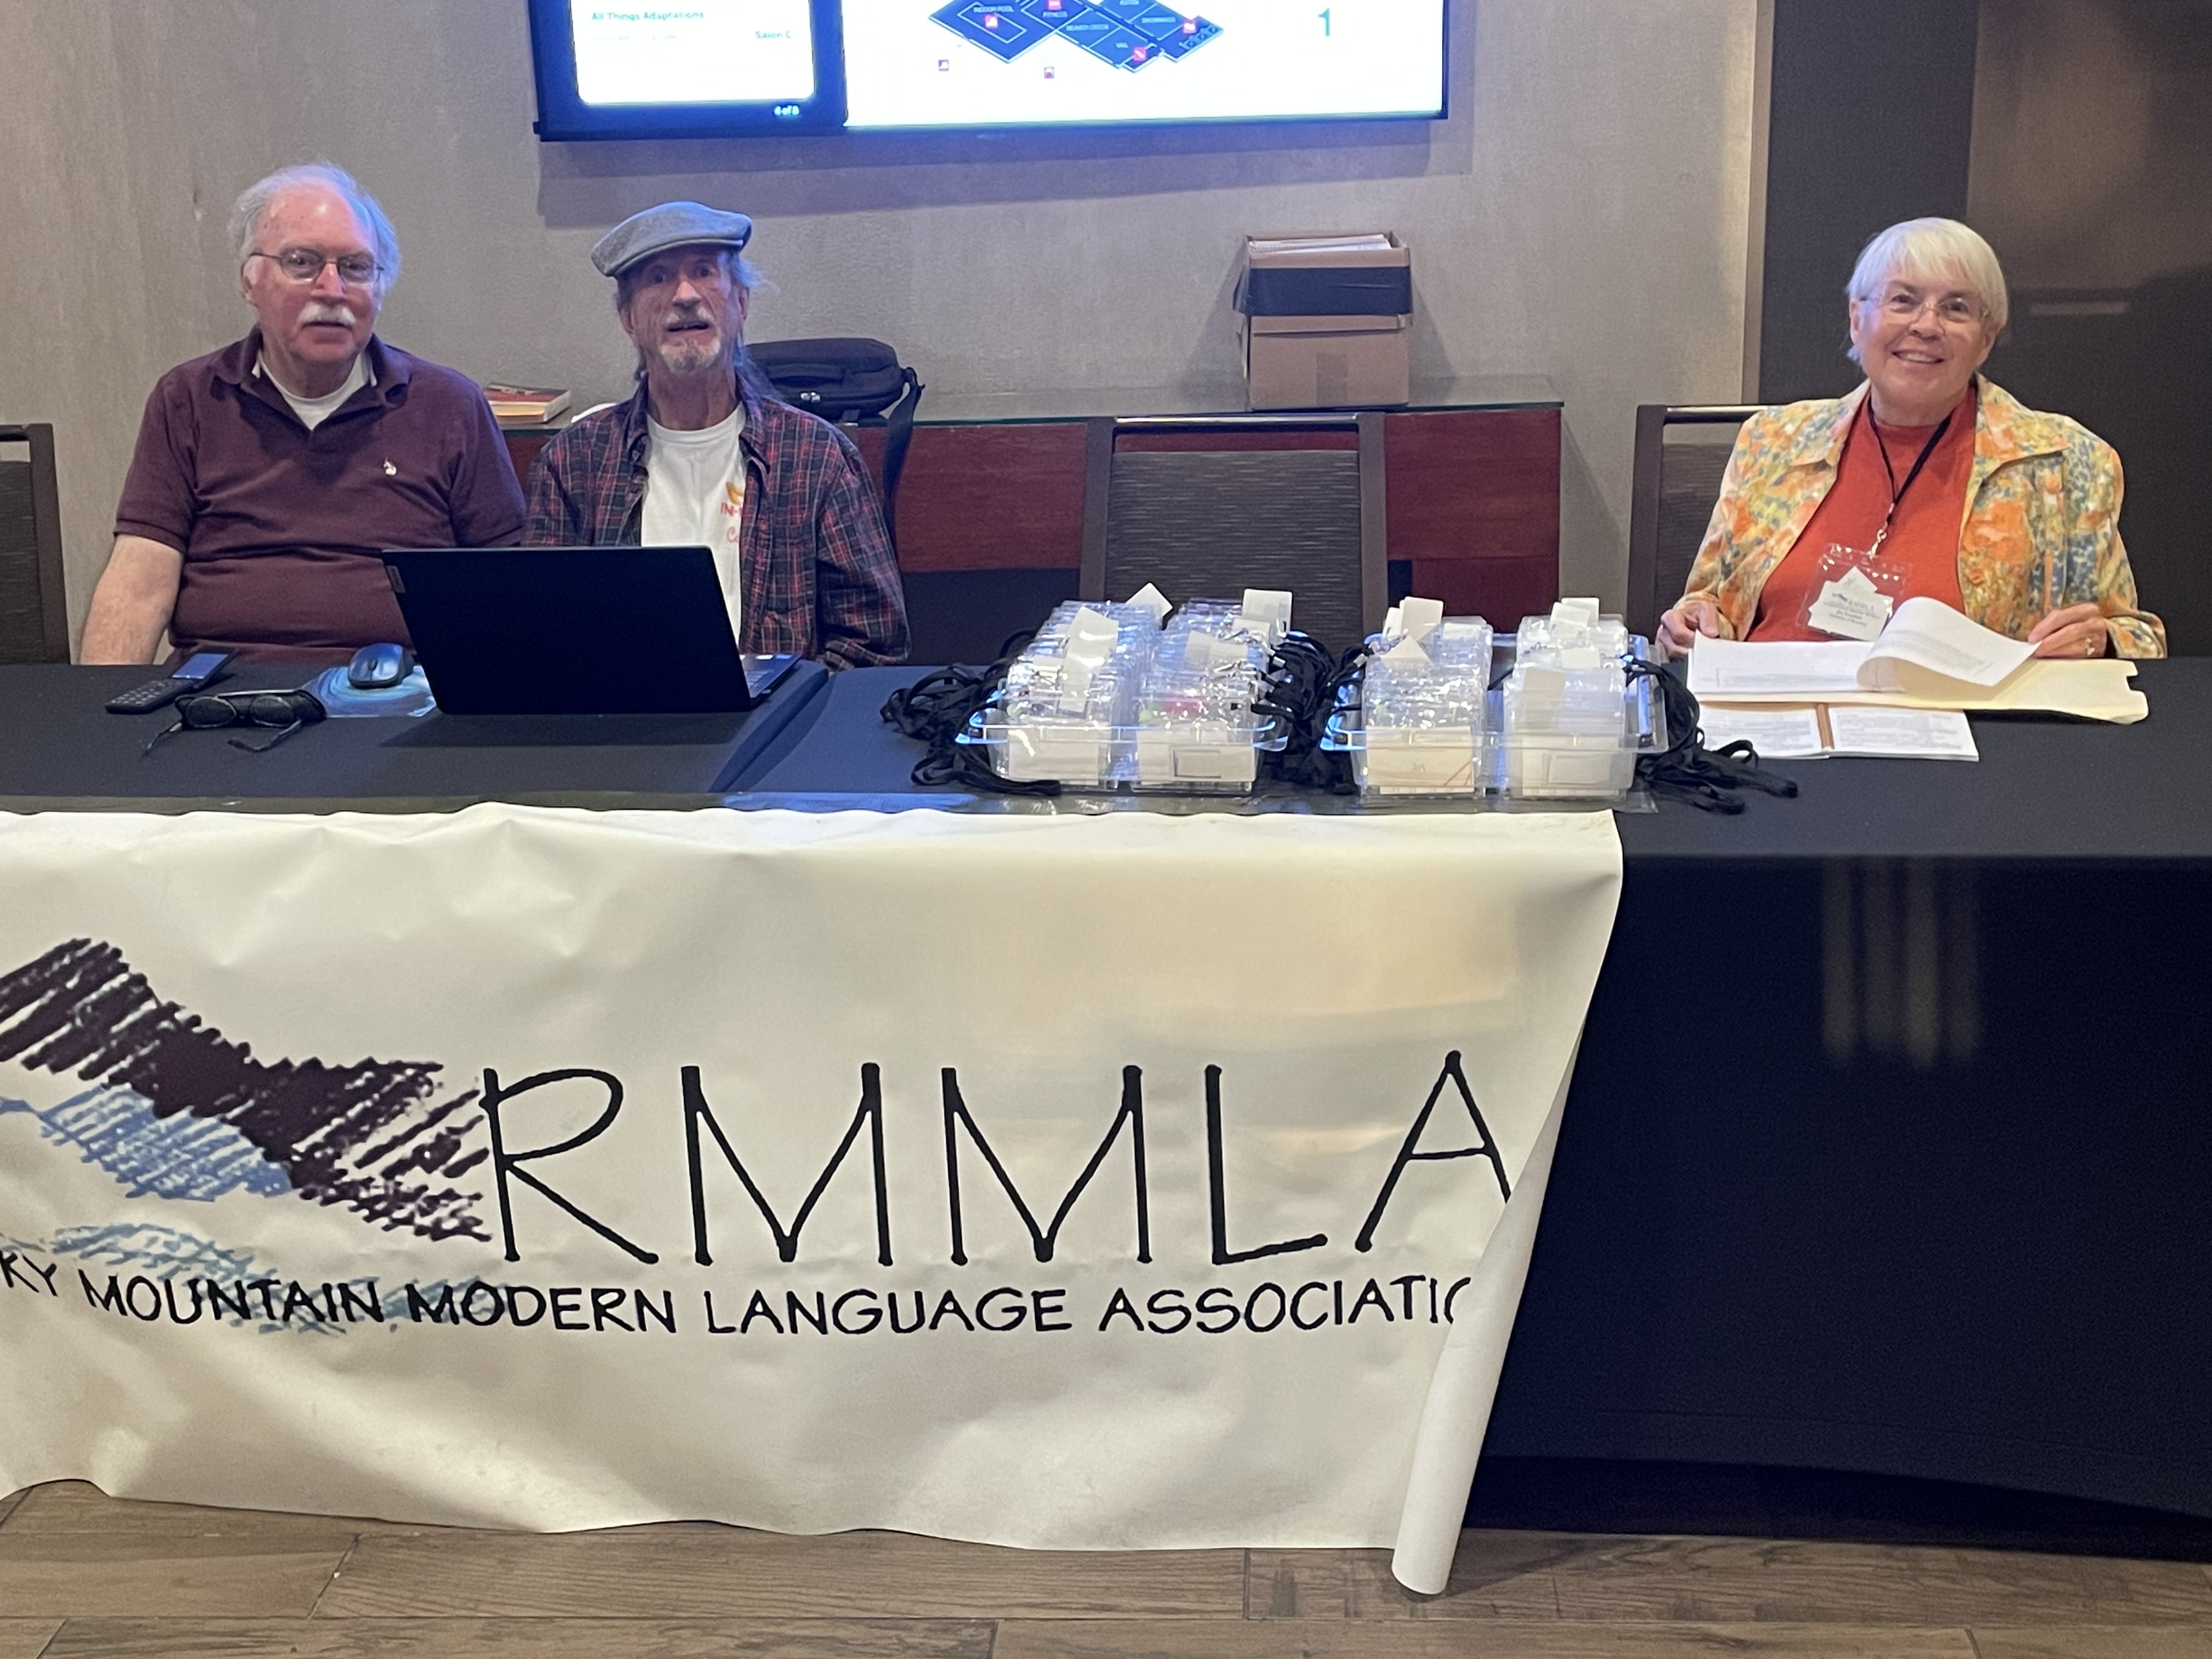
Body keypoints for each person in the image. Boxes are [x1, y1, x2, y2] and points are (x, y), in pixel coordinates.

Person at [1660, 218, 2164, 661]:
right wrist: (1692, 622)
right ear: (1858, 321)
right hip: (1769, 735)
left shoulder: (2066, 462)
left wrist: (2100, 642)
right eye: (1903, 300)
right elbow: (1711, 606)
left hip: (1962, 747)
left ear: (1987, 339)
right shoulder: (1772, 442)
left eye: (1957, 308)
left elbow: (2139, 638)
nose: (1927, 326)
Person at [82, 163, 524, 665]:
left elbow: (506, 585)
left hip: (397, 700)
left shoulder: (448, 405)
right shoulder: (188, 398)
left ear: (379, 288)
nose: (332, 290)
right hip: (219, 697)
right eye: (302, 262)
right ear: (250, 281)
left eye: (356, 267)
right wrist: (104, 721)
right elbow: (139, 582)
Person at [523, 202, 907, 670]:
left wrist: (776, 714)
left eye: (704, 271)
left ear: (740, 303)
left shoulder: (818, 457)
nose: (685, 294)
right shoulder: (573, 464)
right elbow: (545, 637)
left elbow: (873, 645)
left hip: (779, 732)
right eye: (659, 277)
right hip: (621, 729)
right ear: (628, 318)